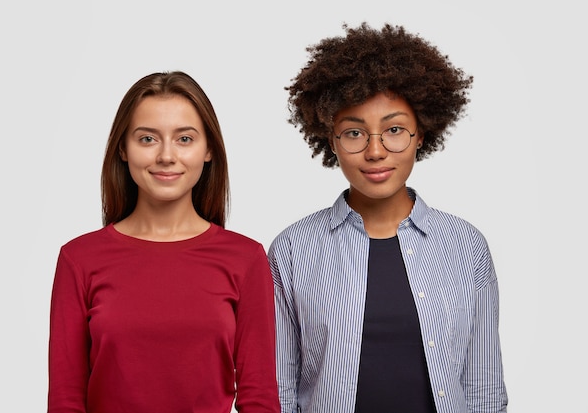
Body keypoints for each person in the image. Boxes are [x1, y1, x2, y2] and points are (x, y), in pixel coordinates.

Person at [268, 23, 508, 413]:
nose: (375, 151)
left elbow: (484, 389)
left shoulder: (467, 247)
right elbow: (278, 392)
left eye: (394, 130)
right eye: (354, 133)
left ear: (421, 136)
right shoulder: (293, 250)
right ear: (331, 141)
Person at [48, 71, 280, 413]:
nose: (166, 156)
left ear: (209, 150)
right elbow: (65, 401)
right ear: (123, 150)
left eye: (184, 139)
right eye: (147, 139)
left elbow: (259, 397)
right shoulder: (79, 259)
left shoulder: (246, 259)